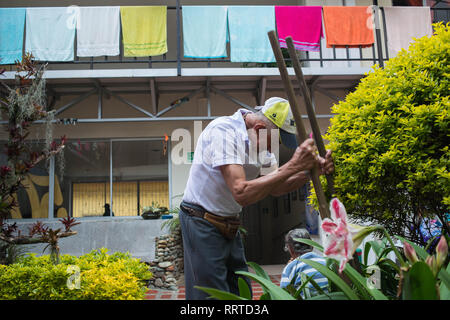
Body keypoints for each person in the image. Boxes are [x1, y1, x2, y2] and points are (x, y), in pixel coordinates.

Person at [179, 97, 334, 300]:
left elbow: (277, 186)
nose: (274, 148)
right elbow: (241, 192)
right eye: (276, 140)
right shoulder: (223, 131)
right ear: (260, 128)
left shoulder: (261, 145)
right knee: (211, 295)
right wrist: (294, 165)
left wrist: (310, 173)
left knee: (241, 291)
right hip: (201, 220)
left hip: (229, 223)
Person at [280, 228, 329, 296]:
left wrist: (289, 266)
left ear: (290, 249)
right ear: (311, 245)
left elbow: (283, 294)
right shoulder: (325, 262)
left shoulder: (291, 267)